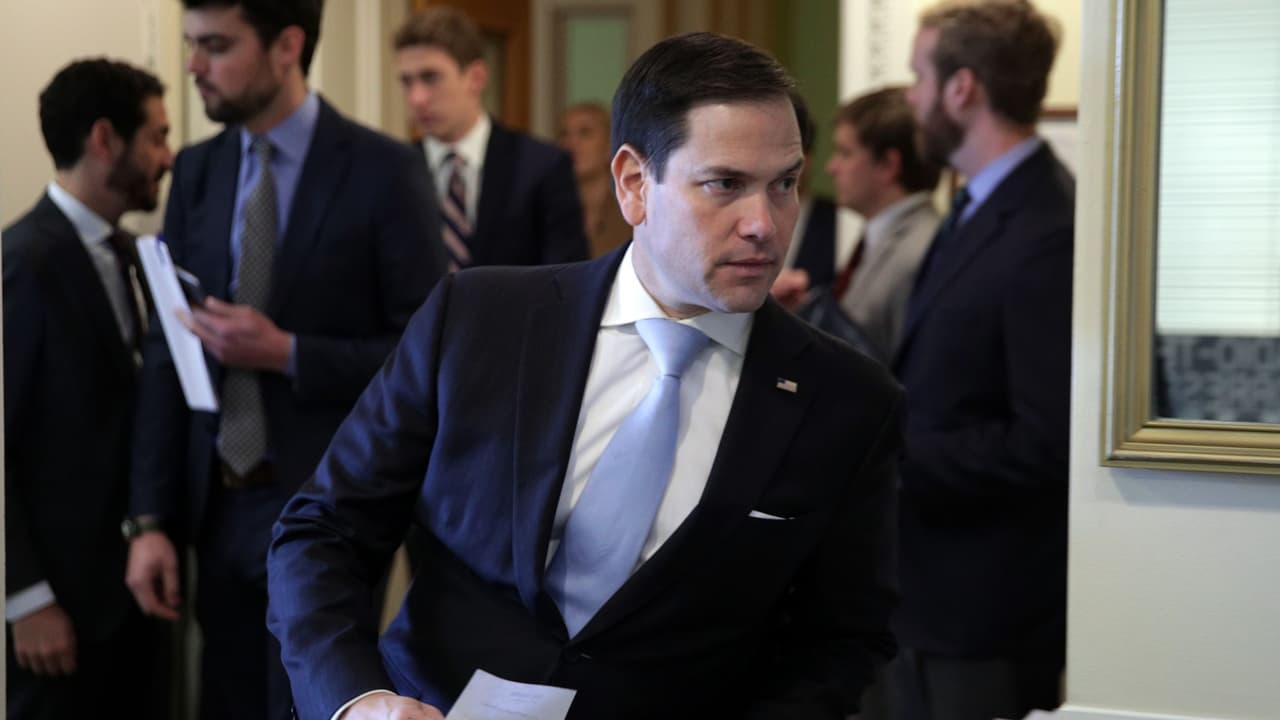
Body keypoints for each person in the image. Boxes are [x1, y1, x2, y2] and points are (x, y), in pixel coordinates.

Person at [268, 31, 903, 720]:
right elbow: (325, 529)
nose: (764, 224)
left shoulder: (847, 400)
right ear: (633, 184)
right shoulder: (479, 319)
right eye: (725, 184)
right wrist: (357, 700)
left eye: (784, 184)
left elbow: (841, 641)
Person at [123, 1, 446, 718]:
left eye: (216, 45)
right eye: (191, 44)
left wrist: (289, 353)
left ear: (286, 46)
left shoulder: (384, 170)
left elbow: (425, 355)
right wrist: (149, 520)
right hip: (215, 503)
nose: (193, 66)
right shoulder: (198, 171)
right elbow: (166, 350)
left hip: (331, 508)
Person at [879, 1, 1075, 718]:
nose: (911, 99)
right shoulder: (978, 206)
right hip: (931, 596)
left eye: (918, 78)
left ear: (962, 88)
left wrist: (891, 455)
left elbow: (1046, 440)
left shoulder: (1046, 226)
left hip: (985, 614)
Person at [4, 57, 172, 720]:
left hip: (137, 601)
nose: (167, 157)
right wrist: (24, 598)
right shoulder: (22, 264)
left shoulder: (137, 255)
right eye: (156, 136)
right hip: (59, 614)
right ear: (105, 139)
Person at [394, 5, 588, 269]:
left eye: (431, 78)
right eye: (407, 82)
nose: (417, 98)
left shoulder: (542, 167)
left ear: (476, 78)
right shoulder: (394, 171)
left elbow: (568, 278)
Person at [557, 101, 630, 258]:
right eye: (564, 134)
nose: (571, 143)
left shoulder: (630, 210)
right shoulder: (550, 211)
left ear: (609, 145)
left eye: (585, 133)